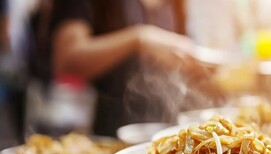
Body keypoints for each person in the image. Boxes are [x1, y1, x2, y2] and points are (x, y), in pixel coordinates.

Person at [27, 0, 217, 137]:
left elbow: (187, 68)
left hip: (171, 136)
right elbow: (67, 62)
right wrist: (138, 39)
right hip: (112, 138)